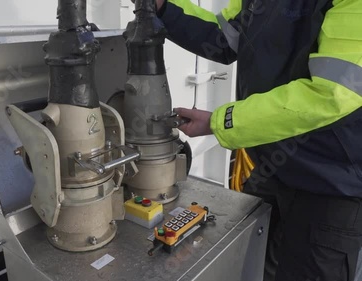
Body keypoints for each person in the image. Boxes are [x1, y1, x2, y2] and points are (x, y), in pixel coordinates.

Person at [152, 0, 362, 280]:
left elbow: (330, 94)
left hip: (331, 184)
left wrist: (221, 122)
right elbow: (224, 37)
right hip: (272, 169)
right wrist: (164, 7)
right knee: (248, 265)